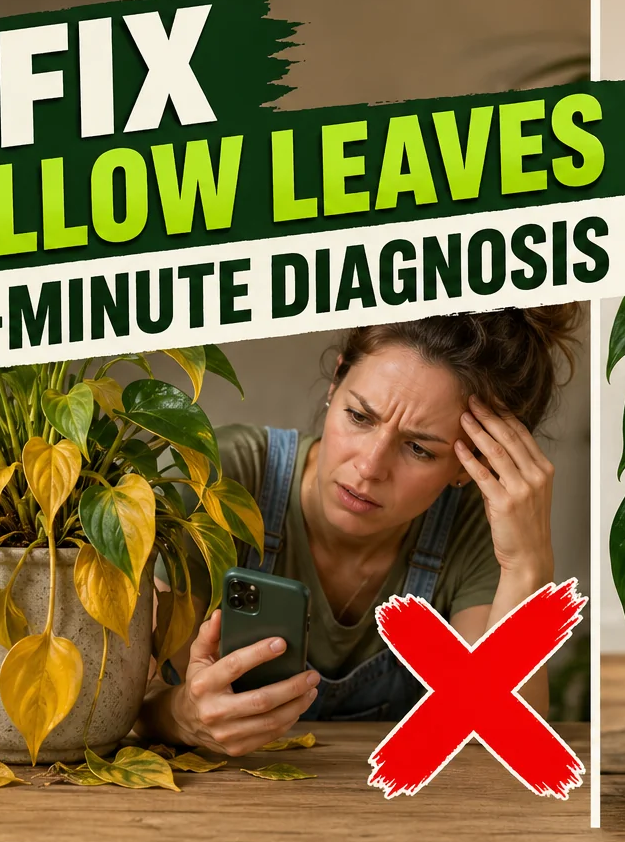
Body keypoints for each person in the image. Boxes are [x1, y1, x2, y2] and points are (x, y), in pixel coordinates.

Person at [136, 305, 582, 755]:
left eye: (418, 449)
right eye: (360, 417)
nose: (369, 467)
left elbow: (503, 736)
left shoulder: (477, 523)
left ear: (472, 464)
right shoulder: (222, 478)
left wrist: (527, 564)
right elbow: (127, 699)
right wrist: (181, 716)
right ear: (336, 383)